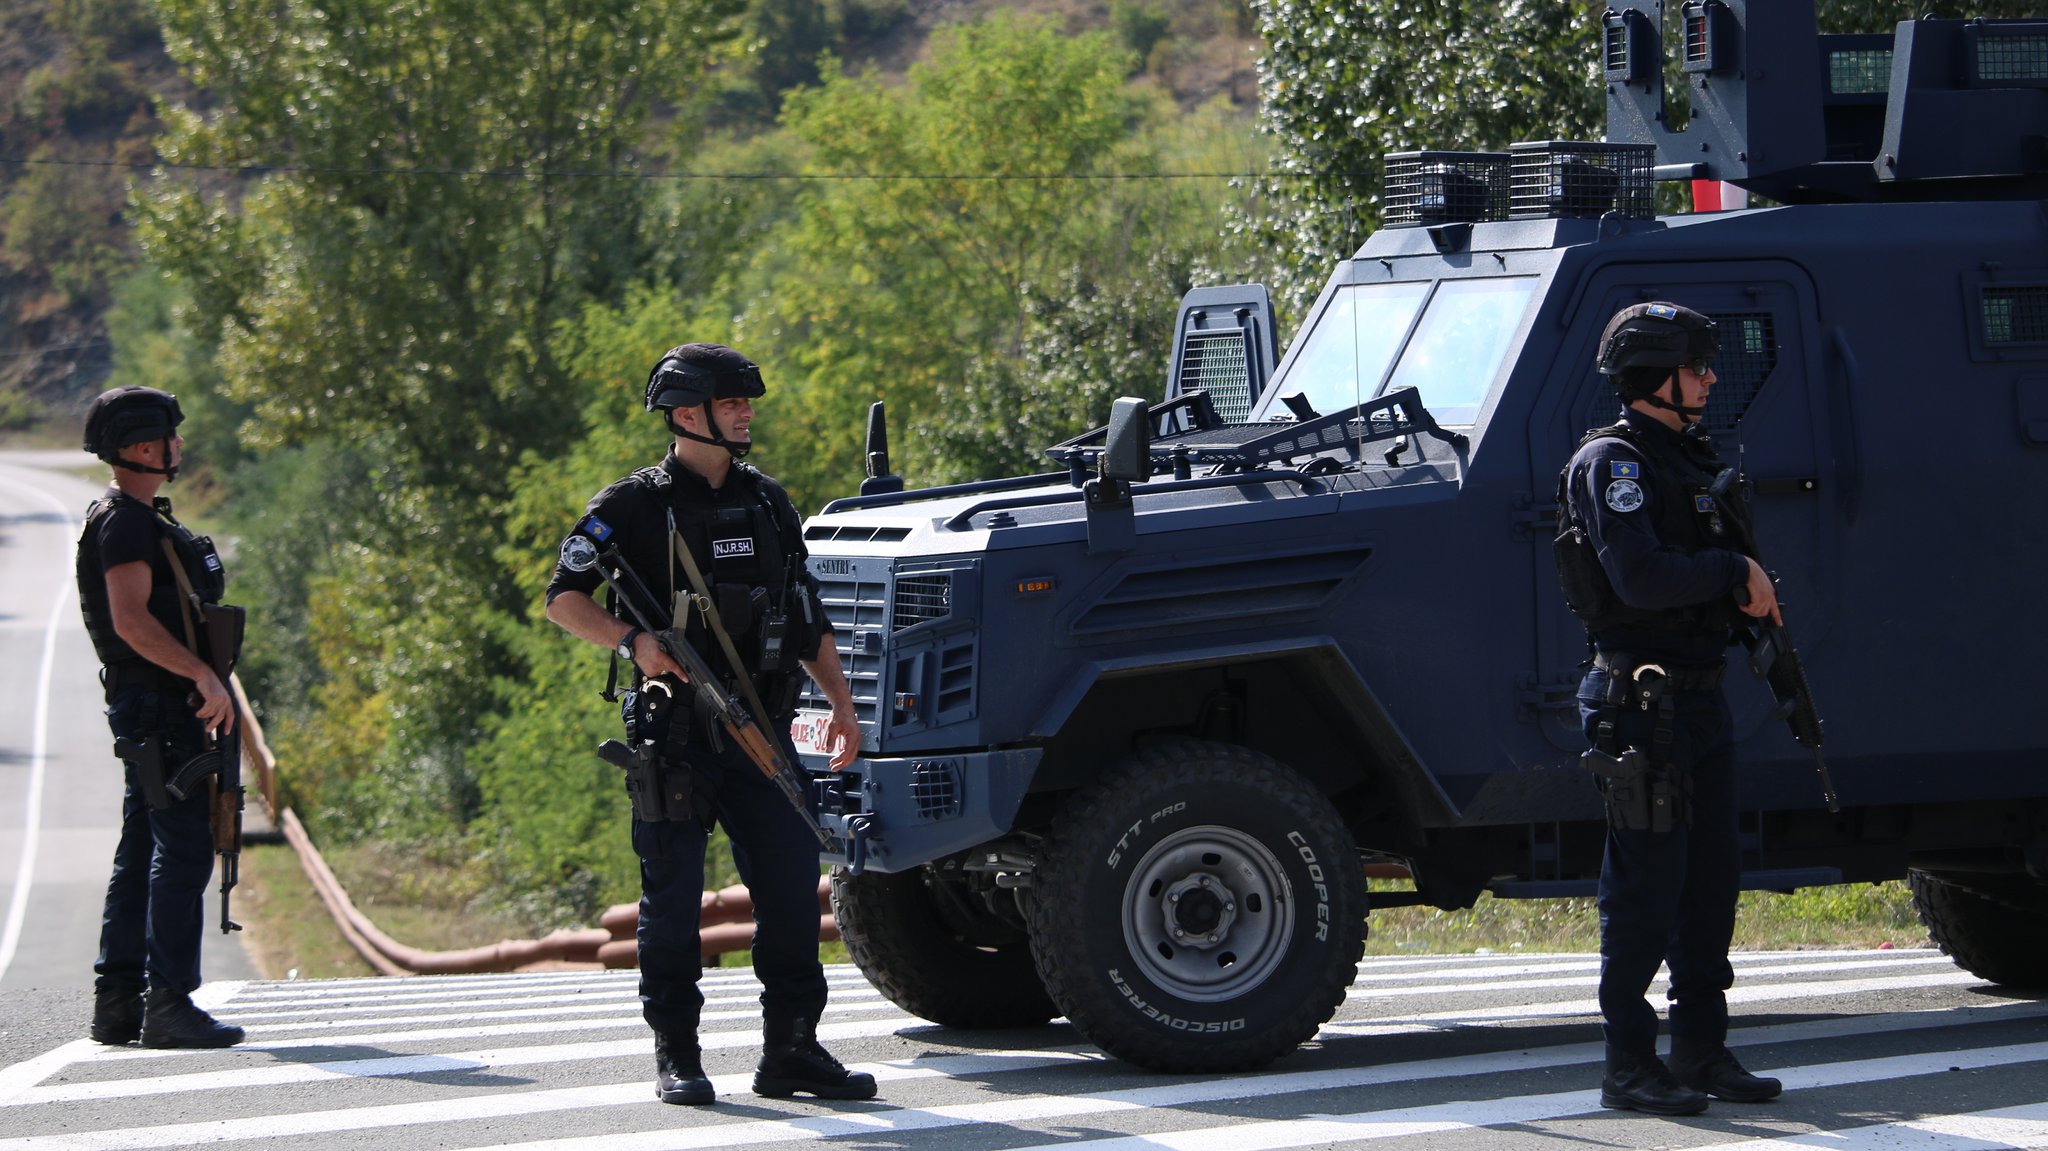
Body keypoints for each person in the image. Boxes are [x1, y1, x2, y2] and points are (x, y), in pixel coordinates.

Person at [544, 342, 872, 1106]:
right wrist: (634, 641)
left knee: (792, 889)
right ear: (688, 415)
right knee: (672, 902)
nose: (747, 413)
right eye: (733, 404)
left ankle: (791, 1050)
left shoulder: (768, 502)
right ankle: (678, 1054)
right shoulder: (632, 506)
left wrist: (843, 704)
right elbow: (563, 596)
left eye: (746, 403)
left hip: (763, 733)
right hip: (679, 739)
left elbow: (807, 617)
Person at [1554, 303, 1784, 1115]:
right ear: (1655, 378)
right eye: (1697, 366)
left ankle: (1699, 1049)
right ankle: (1628, 1064)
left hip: (1698, 697)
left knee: (1710, 882)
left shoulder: (1684, 458)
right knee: (1646, 888)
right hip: (1637, 705)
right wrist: (1730, 571)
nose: (1711, 378)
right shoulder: (1614, 464)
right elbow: (1640, 578)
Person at [75, 386, 245, 1049]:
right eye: (170, 436)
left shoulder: (133, 517)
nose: (179, 445)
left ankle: (119, 1003)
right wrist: (200, 674)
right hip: (157, 703)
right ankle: (169, 1001)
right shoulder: (125, 523)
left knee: (143, 844)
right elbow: (130, 619)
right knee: (182, 846)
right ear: (144, 447)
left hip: (150, 701)